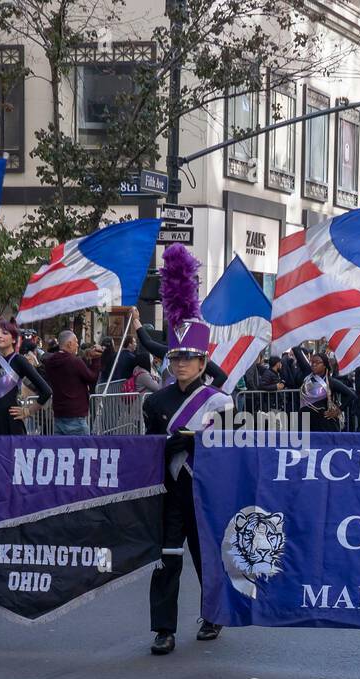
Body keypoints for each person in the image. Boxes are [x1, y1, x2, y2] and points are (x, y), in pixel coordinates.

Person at [142, 243, 234, 657]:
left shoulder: (219, 401)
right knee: (166, 559)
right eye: (175, 358)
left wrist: (194, 441)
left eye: (188, 359)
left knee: (206, 558)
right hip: (169, 491)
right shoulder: (155, 403)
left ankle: (212, 615)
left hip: (205, 490)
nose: (180, 365)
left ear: (202, 364)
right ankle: (163, 629)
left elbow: (229, 449)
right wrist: (164, 449)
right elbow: (147, 450)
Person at [0, 280, 53, 436]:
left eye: (4, 333)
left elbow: (46, 391)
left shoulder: (19, 361)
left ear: (14, 339)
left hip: (10, 422)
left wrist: (28, 411)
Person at [42, 330, 102, 434]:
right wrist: (96, 360)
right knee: (83, 449)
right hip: (76, 416)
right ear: (69, 344)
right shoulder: (74, 361)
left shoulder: (50, 362)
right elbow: (91, 377)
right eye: (76, 341)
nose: (77, 345)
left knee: (61, 449)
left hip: (58, 414)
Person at [291, 345, 357, 432]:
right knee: (306, 444)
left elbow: (351, 395)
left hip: (323, 421)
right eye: (312, 362)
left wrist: (338, 410)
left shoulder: (331, 381)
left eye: (318, 362)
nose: (314, 364)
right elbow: (297, 350)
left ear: (325, 365)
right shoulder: (308, 374)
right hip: (305, 418)